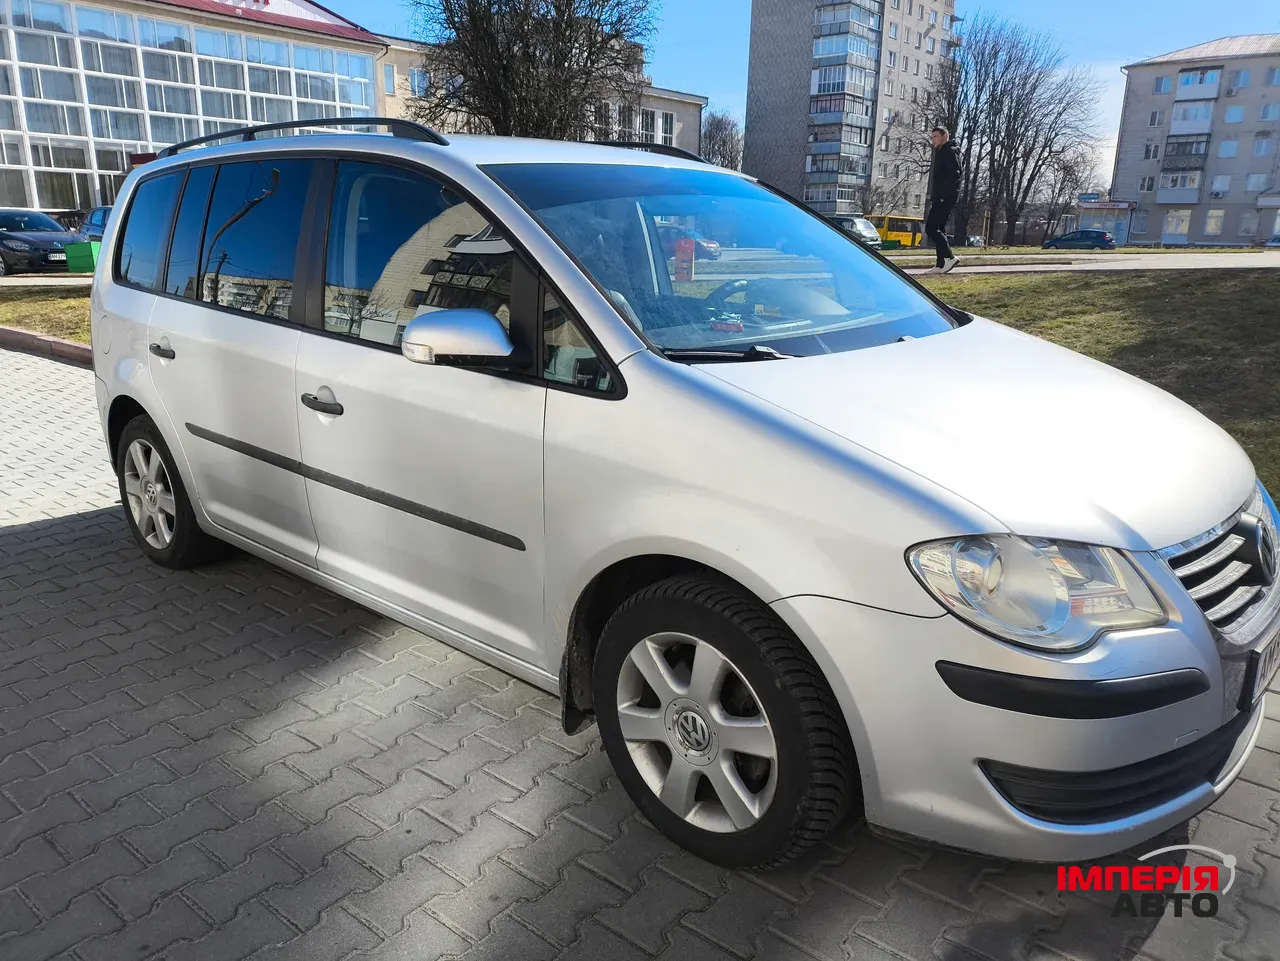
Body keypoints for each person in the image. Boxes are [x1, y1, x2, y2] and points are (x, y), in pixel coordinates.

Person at [924, 126, 961, 275]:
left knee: (931, 228)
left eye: (935, 137)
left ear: (945, 136)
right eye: (932, 137)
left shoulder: (949, 151)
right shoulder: (941, 151)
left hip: (945, 197)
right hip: (941, 196)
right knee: (939, 228)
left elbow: (955, 175)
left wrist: (943, 195)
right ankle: (940, 265)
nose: (932, 140)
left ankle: (950, 257)